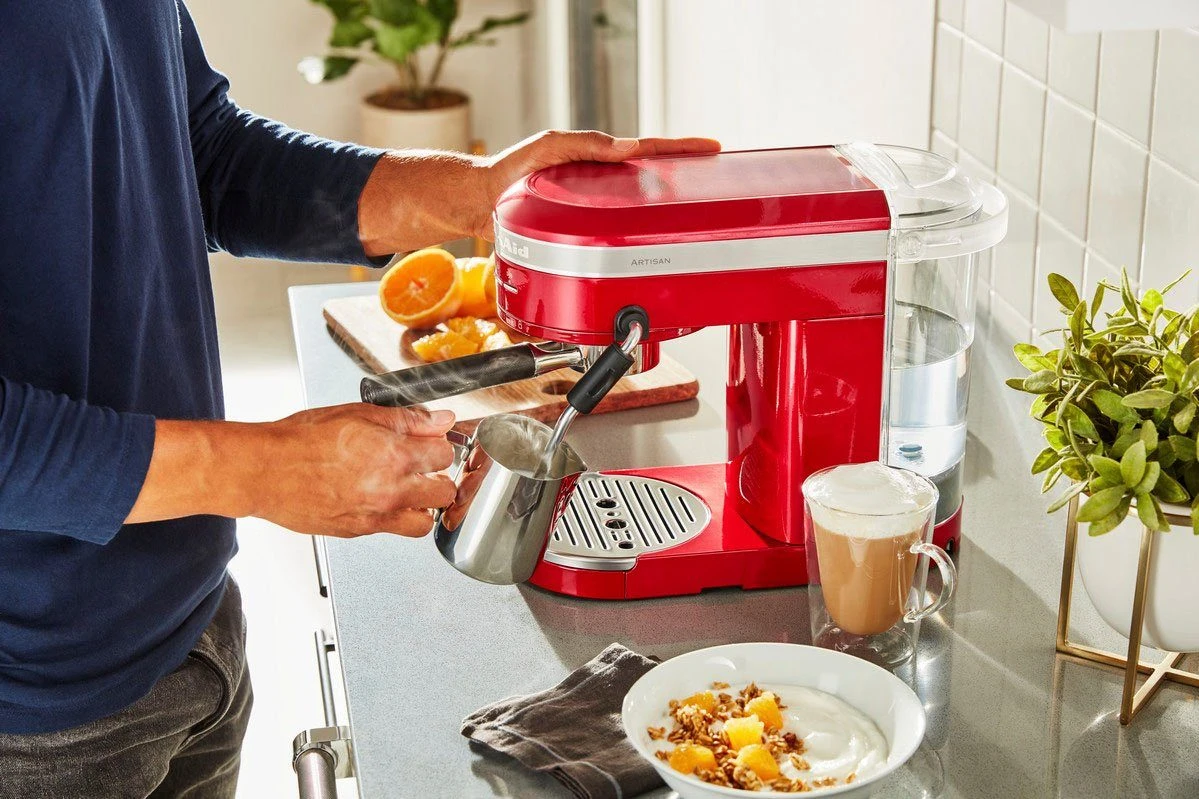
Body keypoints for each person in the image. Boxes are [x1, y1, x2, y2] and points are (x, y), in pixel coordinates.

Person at [0, 3, 719, 796]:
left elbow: (200, 153)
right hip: (31, 705)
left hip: (188, 621)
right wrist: (260, 468)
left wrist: (478, 193)